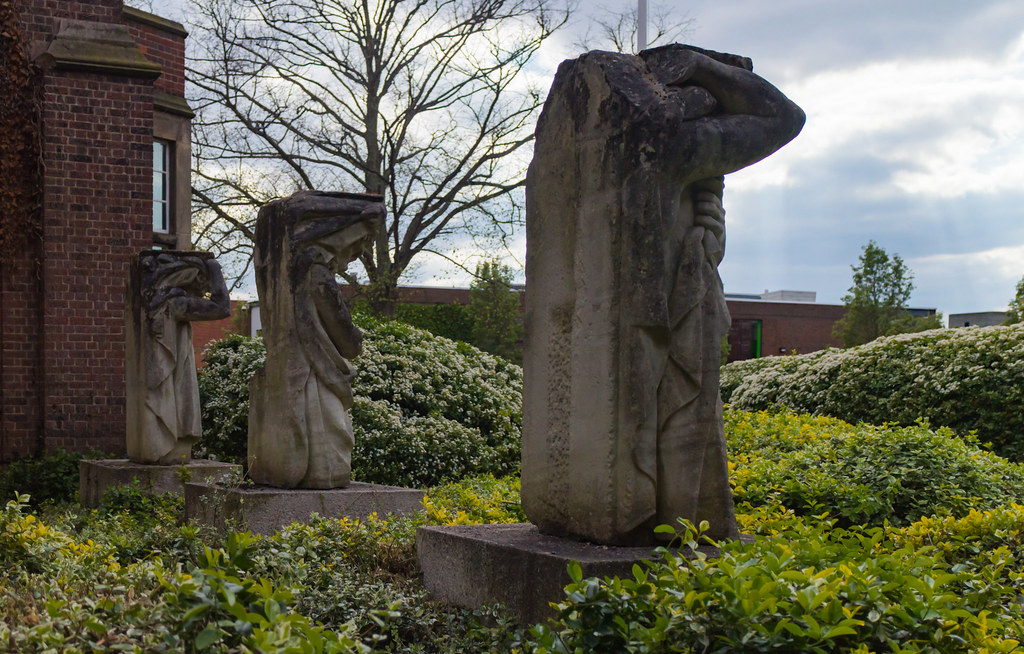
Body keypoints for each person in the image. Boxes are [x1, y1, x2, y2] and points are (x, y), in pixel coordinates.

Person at [523, 45, 805, 544]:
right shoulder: (666, 142)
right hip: (668, 311)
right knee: (679, 406)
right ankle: (679, 516)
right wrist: (702, 67)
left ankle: (661, 510)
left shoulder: (585, 148)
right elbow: (782, 116)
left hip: (618, 324)